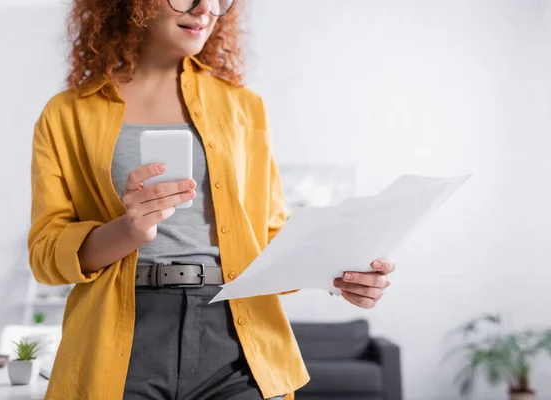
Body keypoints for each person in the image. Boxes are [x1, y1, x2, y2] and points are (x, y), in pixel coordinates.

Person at [27, 0, 396, 399]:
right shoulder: (67, 113)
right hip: (118, 338)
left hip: (235, 335)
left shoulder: (244, 107)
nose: (205, 8)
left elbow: (267, 236)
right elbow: (45, 252)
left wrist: (339, 273)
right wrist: (127, 230)